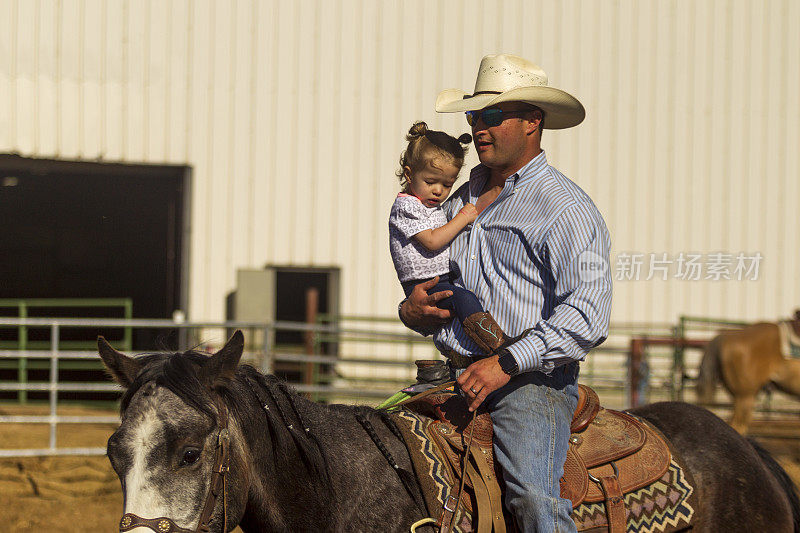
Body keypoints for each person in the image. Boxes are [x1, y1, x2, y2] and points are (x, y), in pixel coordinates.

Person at [398, 54, 613, 532]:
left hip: (528, 383)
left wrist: (505, 363)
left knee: (533, 498)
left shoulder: (566, 209)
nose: (479, 128)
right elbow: (424, 274)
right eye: (475, 116)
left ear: (533, 122)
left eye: (493, 116)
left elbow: (589, 314)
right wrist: (413, 309)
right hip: (449, 373)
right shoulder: (457, 194)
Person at [389, 121, 516, 357]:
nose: (438, 191)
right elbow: (433, 241)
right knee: (462, 298)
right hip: (424, 283)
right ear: (409, 174)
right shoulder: (407, 206)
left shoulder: (427, 204)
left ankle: (488, 341)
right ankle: (495, 343)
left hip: (437, 279)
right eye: (430, 182)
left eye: (447, 185)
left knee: (461, 298)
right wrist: (463, 218)